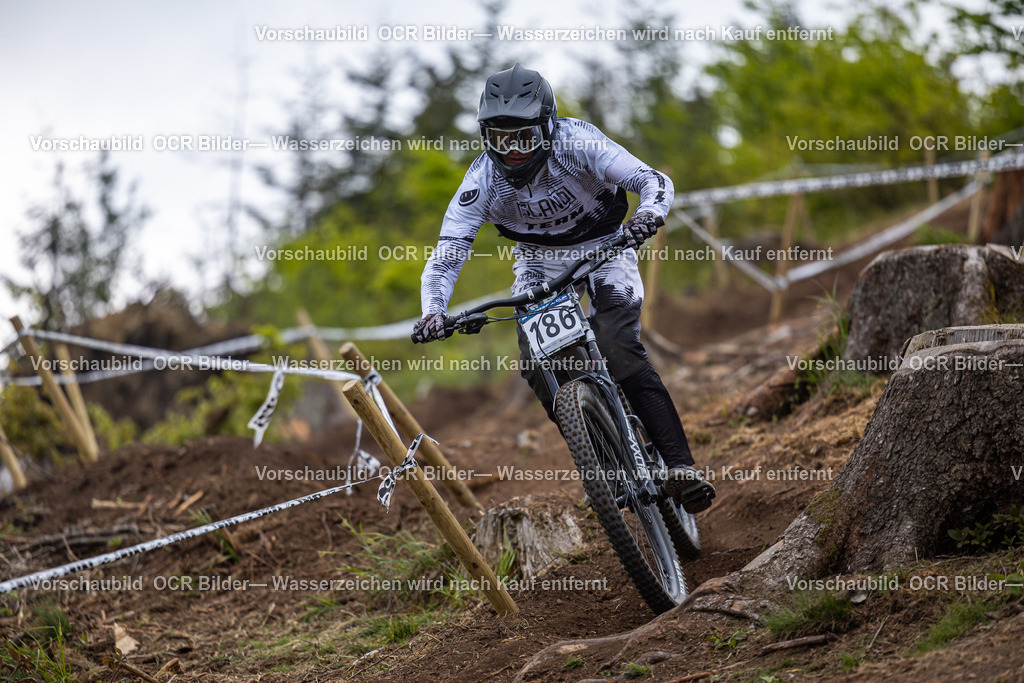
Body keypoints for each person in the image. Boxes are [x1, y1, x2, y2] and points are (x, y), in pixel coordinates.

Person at [411, 63, 715, 513]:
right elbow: (449, 251)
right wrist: (434, 310)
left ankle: (679, 465)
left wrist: (649, 214)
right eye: (500, 139)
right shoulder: (481, 181)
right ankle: (602, 463)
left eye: (524, 138)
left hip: (607, 245)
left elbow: (652, 180)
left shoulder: (579, 143)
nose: (513, 152)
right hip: (538, 260)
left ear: (549, 127)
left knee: (617, 345)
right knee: (538, 366)